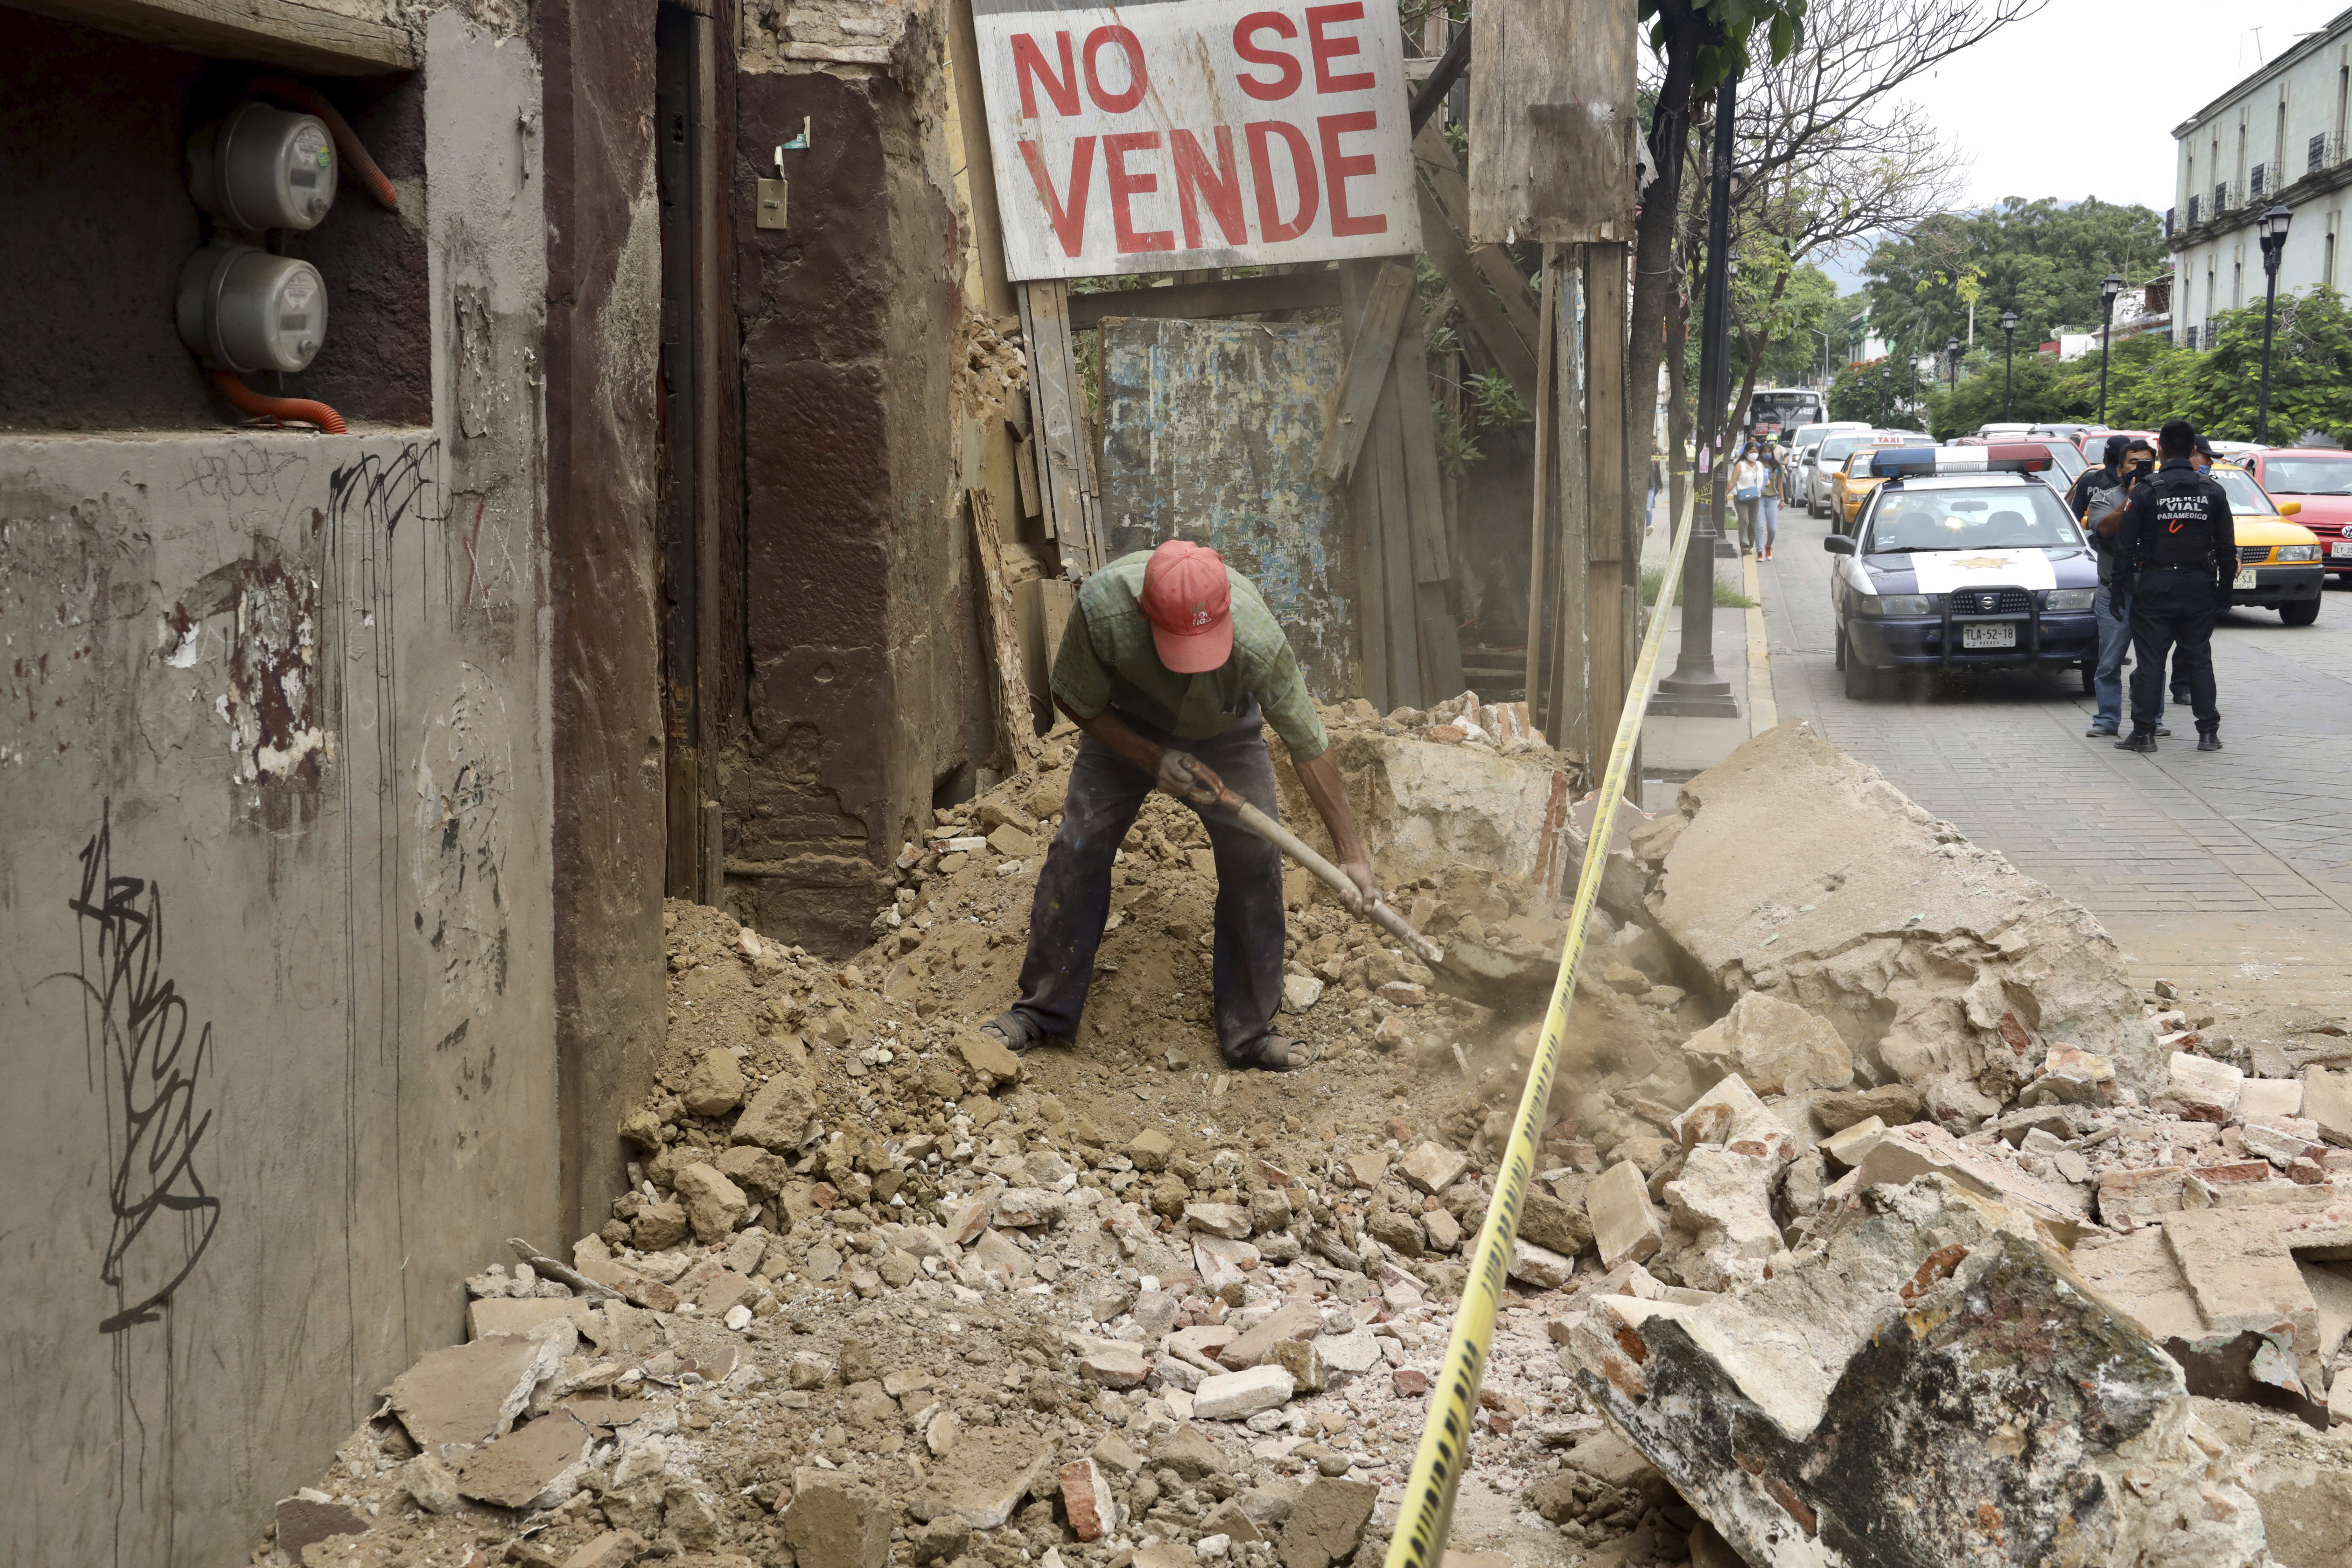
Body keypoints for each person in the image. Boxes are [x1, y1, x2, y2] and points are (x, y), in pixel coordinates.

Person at [981, 539, 1380, 1071]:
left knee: (1256, 863)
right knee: (1079, 846)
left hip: (1226, 733)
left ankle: (1251, 1033)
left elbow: (1309, 744)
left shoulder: (1257, 636)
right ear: (1146, 615)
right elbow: (1073, 697)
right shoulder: (1103, 608)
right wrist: (1151, 757)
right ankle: (1042, 1011)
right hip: (1124, 729)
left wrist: (1351, 854)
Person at [2113, 420, 2234, 754]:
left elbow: (2125, 544)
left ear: (2161, 450)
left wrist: (2116, 589)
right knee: (2199, 659)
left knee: (2151, 662)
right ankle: (2209, 733)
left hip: (2155, 587)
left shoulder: (2147, 490)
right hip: (2198, 586)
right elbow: (2227, 547)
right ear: (2194, 451)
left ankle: (2144, 734)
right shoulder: (2213, 491)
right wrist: (2225, 591)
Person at [2078, 438, 2167, 738]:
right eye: (2134, 463)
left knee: (2153, 660)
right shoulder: (2104, 499)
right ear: (2119, 469)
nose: (2140, 469)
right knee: (2109, 661)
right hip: (2114, 592)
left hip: (2152, 592)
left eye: (2147, 464)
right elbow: (2104, 529)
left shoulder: (2163, 498)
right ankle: (2107, 719)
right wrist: (2131, 501)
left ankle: (2152, 719)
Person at [1731, 446, 1765, 554]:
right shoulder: (1740, 465)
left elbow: (1763, 478)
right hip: (1741, 497)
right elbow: (1732, 481)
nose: (1754, 454)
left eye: (1756, 452)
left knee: (1752, 523)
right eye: (1752, 452)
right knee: (1745, 520)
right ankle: (1744, 546)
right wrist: (1725, 494)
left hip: (1755, 497)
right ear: (1746, 453)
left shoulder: (1760, 465)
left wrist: (1767, 482)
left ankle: (1750, 545)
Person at [1757, 446, 1782, 559]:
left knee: (1772, 529)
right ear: (1760, 453)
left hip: (1773, 499)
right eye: (1765, 452)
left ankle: (1769, 546)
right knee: (1760, 527)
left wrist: (1782, 500)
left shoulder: (1776, 467)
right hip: (1759, 498)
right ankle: (1760, 552)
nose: (1767, 454)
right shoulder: (1757, 466)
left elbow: (1780, 483)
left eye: (1769, 452)